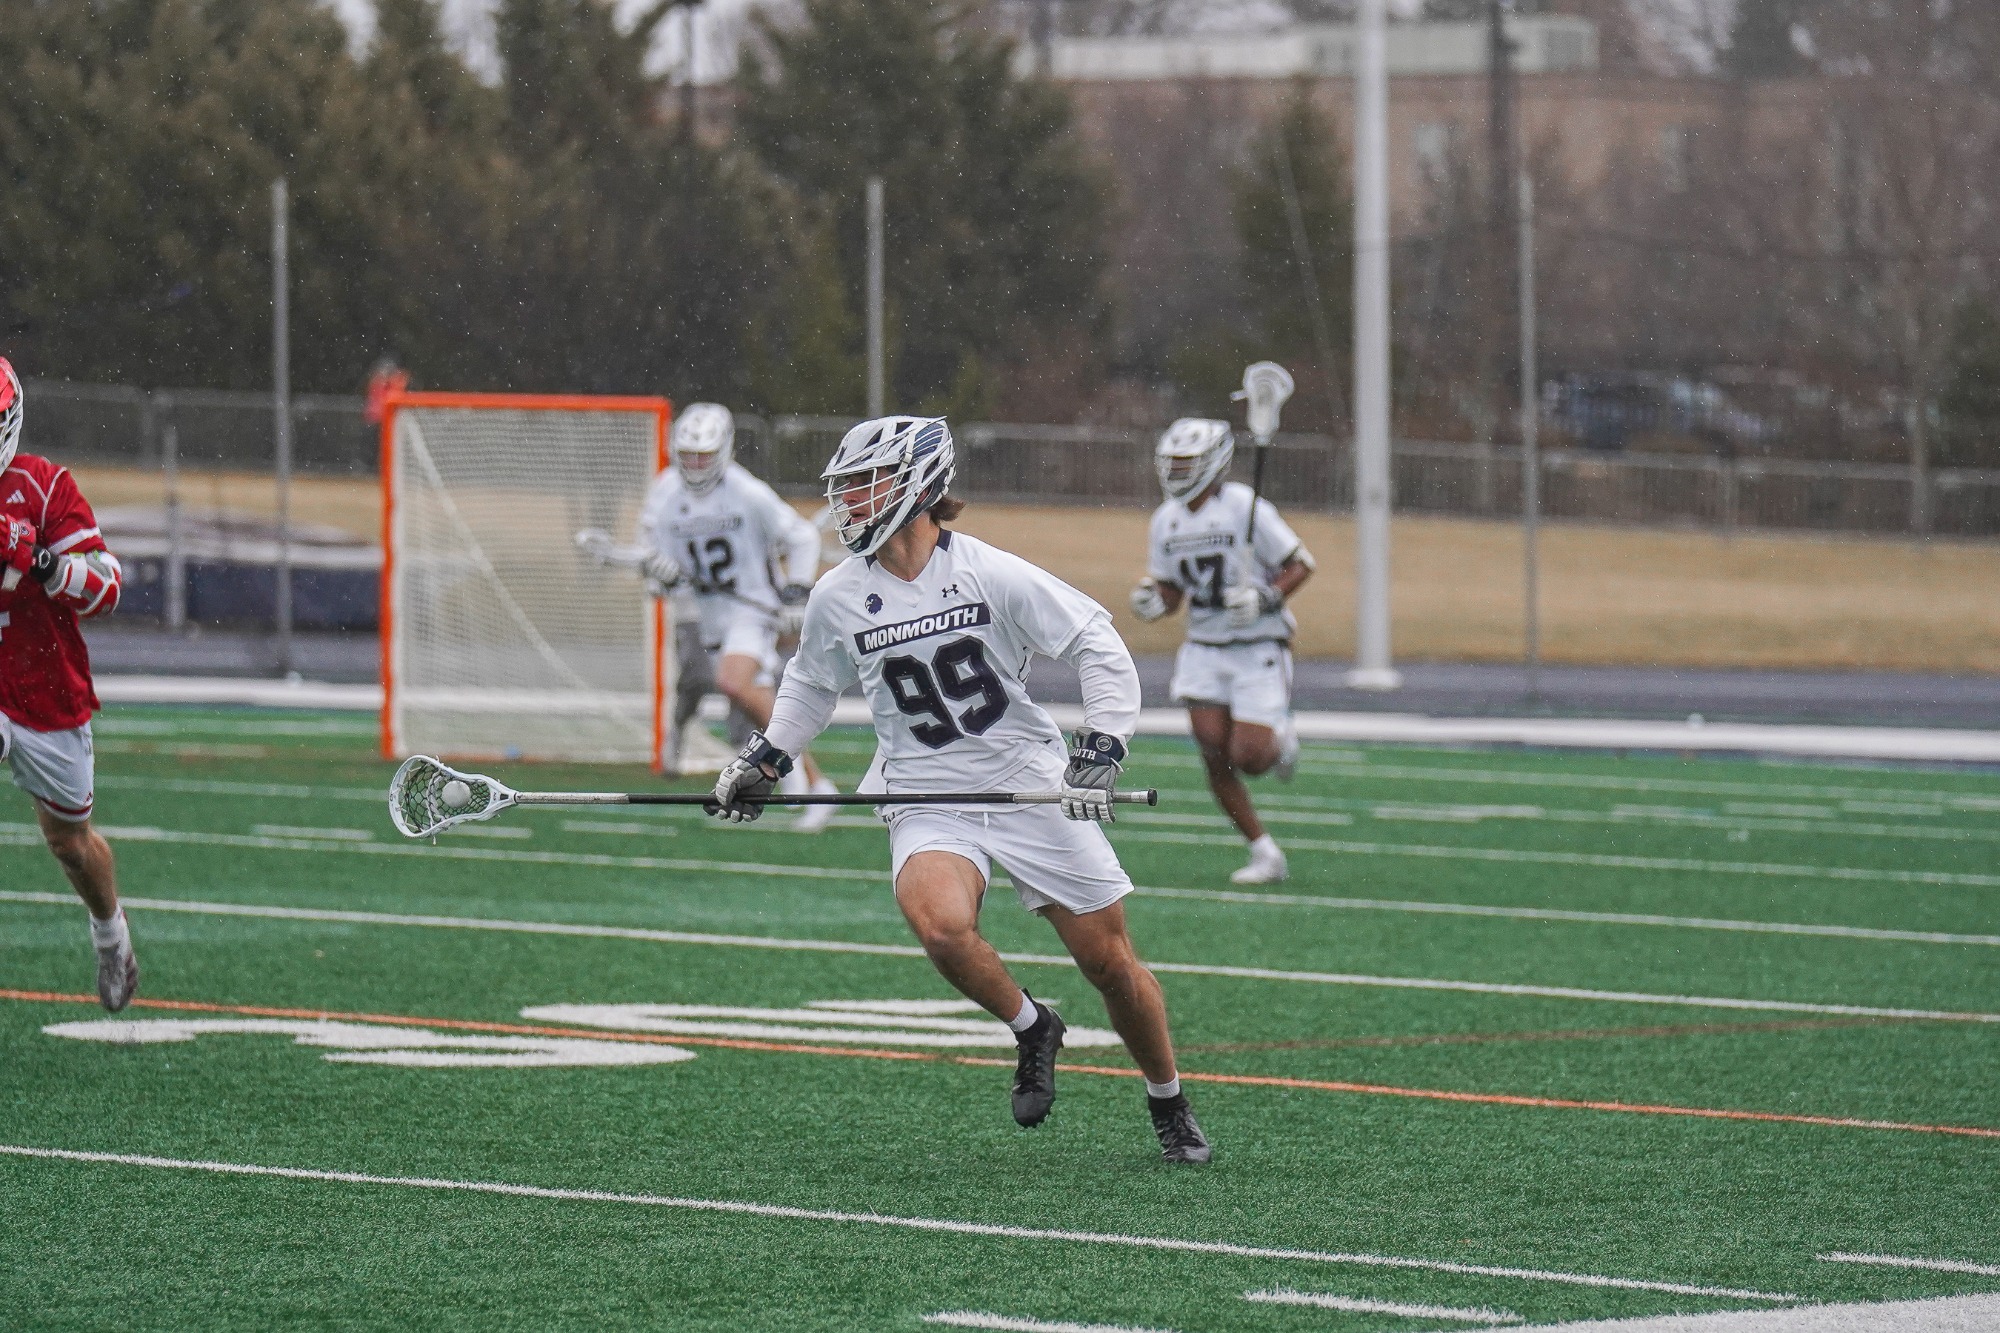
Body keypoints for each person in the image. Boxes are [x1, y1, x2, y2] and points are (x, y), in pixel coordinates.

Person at [709, 415, 1210, 1164]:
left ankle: (1167, 1098)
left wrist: (1103, 744)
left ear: (915, 485)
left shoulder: (987, 570)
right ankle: (1032, 1024)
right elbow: (811, 682)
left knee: (1109, 963)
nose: (848, 501)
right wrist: (770, 757)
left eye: (863, 483)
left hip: (1025, 780)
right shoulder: (838, 594)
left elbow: (1095, 639)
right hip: (922, 790)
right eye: (843, 487)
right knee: (941, 925)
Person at [0, 358, 135, 1009]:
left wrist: (43, 559)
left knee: (71, 843)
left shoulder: (46, 487)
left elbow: (107, 585)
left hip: (45, 692)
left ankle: (111, 934)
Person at [637, 403, 840, 829]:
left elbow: (802, 537)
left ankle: (801, 783)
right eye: (688, 455)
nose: (694, 464)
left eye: (703, 455)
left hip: (752, 608)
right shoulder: (664, 494)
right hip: (711, 616)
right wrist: (664, 576)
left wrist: (795, 593)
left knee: (734, 682)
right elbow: (657, 573)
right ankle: (812, 783)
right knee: (751, 698)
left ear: (724, 450)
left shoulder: (746, 492)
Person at [1130, 418, 1314, 885]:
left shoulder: (1245, 507)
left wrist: (1266, 597)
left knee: (1249, 756)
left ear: (1212, 463)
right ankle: (1264, 851)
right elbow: (1173, 590)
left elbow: (1299, 564)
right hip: (1205, 647)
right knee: (1213, 750)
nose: (1175, 471)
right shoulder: (1165, 519)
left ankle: (1281, 736)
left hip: (1256, 646)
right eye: (1171, 462)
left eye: (1185, 462)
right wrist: (1156, 600)